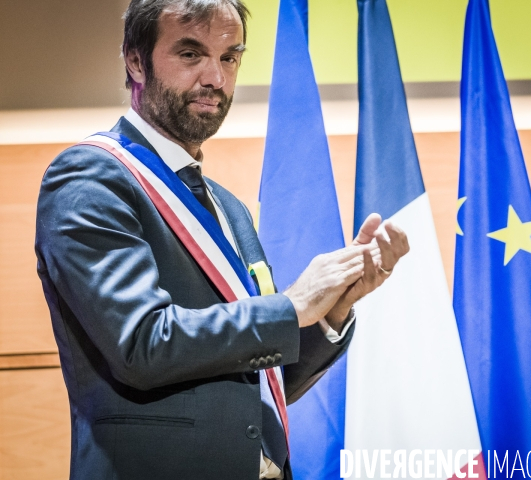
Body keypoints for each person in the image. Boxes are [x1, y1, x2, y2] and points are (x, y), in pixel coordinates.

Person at [34, 0, 409, 479]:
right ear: (135, 59)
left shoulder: (228, 207)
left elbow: (260, 376)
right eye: (191, 54)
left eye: (230, 56)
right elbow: (142, 345)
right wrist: (293, 306)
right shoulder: (90, 178)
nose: (215, 77)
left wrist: (332, 309)